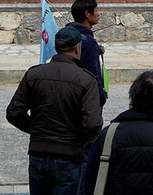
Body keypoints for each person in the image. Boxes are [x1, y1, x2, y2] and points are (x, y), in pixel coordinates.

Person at [7, 26, 104, 195]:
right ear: (77, 48)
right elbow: (92, 124)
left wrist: (37, 130)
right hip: (69, 155)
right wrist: (76, 139)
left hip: (39, 153)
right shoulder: (86, 80)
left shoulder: (34, 74)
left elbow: (14, 112)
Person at [66, 0, 108, 105]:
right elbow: (92, 74)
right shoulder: (88, 42)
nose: (98, 14)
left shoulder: (68, 35)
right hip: (86, 98)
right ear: (87, 14)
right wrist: (101, 97)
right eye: (96, 10)